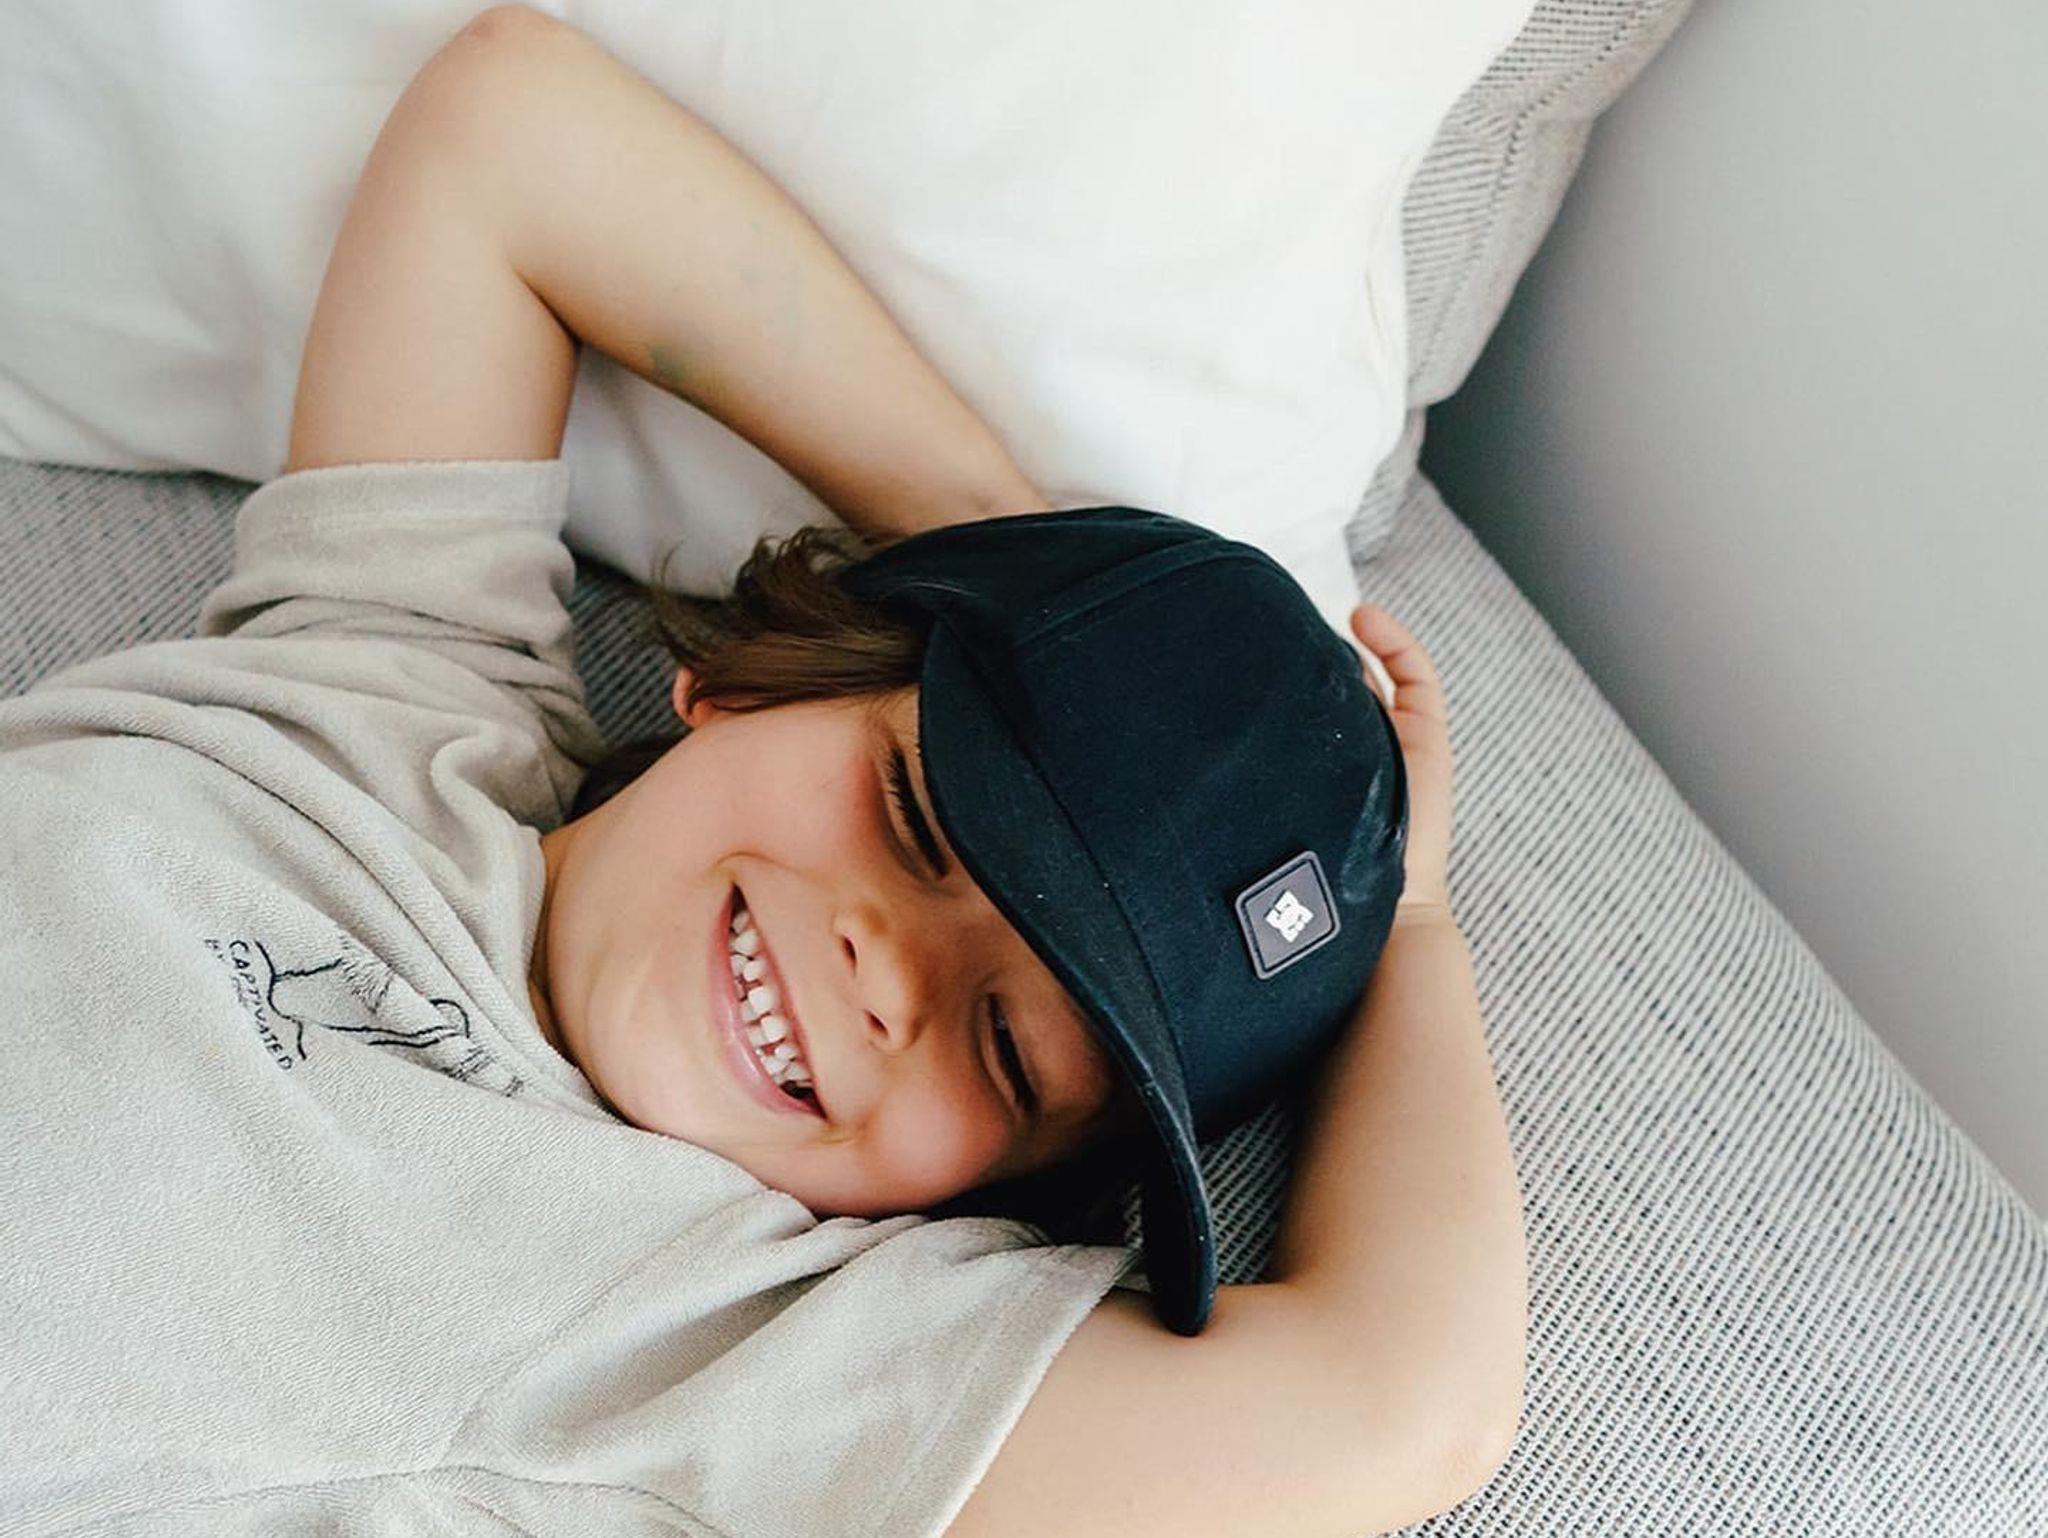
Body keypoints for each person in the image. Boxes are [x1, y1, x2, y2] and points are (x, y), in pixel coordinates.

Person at [0, 8, 1526, 1535]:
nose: (889, 974)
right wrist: (1012, 551)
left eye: (1004, 1052)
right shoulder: (398, 669)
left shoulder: (703, 1331)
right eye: (913, 815)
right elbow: (512, 136)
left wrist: (1414, 924)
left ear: (989, 1195)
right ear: (752, 676)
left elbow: (1399, 1403)